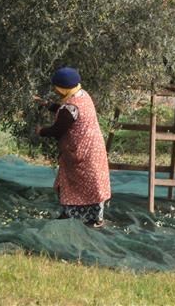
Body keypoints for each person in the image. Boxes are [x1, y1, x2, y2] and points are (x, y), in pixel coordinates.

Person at [36, 67, 112, 228]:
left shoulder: (70, 108)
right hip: (94, 148)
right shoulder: (83, 95)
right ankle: (94, 218)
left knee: (78, 184)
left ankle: (76, 217)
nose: (56, 90)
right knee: (93, 183)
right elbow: (67, 111)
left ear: (63, 88)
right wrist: (49, 105)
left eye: (57, 87)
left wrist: (41, 131)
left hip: (82, 152)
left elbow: (58, 129)